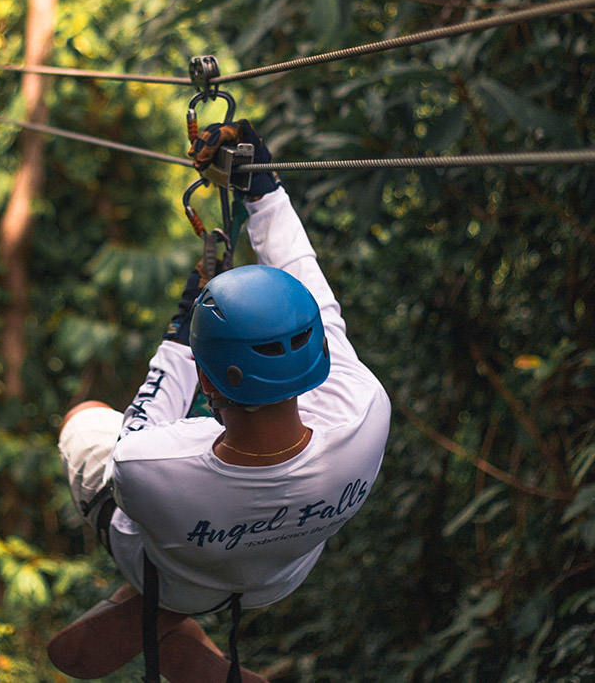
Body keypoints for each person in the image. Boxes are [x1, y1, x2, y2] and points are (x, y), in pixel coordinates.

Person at [49, 120, 391, 682]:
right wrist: (265, 189)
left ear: (209, 386)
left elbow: (137, 434)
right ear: (318, 361)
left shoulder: (152, 465)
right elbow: (315, 296)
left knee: (85, 420)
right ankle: (185, 630)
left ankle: (170, 609)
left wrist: (183, 330)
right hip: (279, 575)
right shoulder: (365, 410)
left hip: (177, 570)